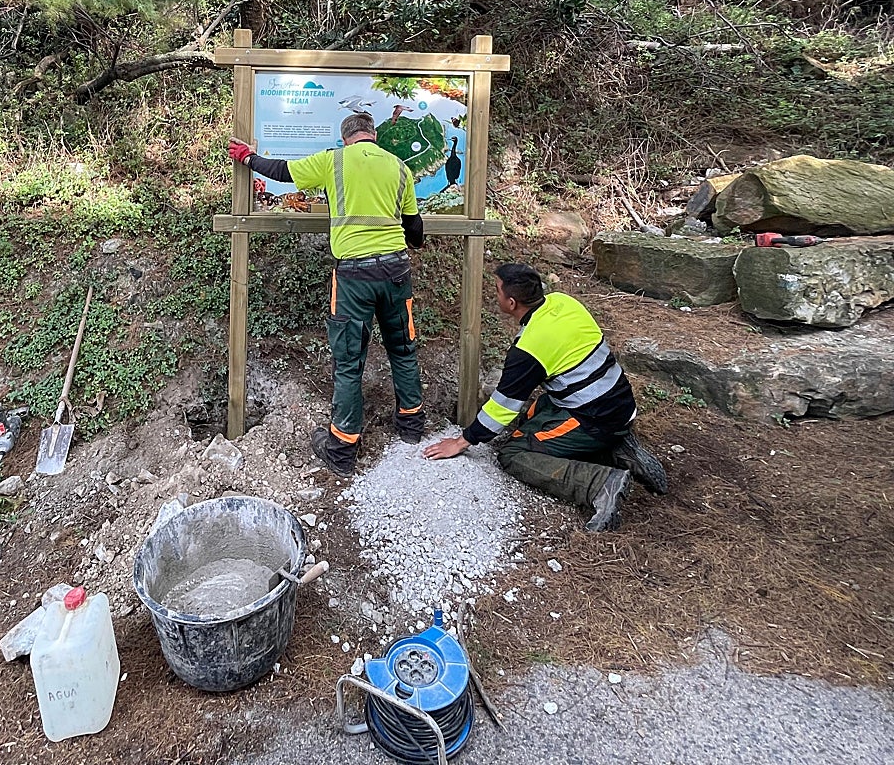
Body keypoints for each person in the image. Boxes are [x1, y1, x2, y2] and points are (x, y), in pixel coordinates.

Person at [228, 113, 425, 476]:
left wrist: (247, 158)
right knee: (403, 347)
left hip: (354, 275)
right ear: (373, 135)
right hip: (397, 271)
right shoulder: (399, 167)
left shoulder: (333, 160)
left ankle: (343, 448)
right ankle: (412, 426)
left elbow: (283, 171)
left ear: (344, 137)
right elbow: (414, 228)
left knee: (349, 360)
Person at [423, 263, 667, 532]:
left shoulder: (529, 348)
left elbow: (503, 407)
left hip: (595, 419)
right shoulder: (564, 302)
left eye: (497, 290)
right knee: (533, 412)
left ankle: (599, 483)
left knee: (513, 453)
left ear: (512, 302)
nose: (495, 295)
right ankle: (620, 447)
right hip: (618, 402)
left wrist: (462, 441)